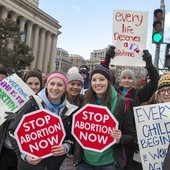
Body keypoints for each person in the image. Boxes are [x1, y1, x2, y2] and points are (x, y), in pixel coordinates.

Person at [73, 46, 135, 170]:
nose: (98, 83)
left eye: (102, 79)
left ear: (108, 82)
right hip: (85, 162)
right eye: (94, 80)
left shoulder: (121, 103)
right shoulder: (83, 100)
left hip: (109, 163)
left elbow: (131, 136)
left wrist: (120, 139)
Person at [7, 71, 78, 170]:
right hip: (29, 166)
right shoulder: (32, 104)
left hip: (53, 166)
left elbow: (72, 137)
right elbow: (12, 132)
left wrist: (67, 147)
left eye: (60, 85)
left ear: (65, 88)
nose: (55, 88)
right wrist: (24, 155)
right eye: (52, 83)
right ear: (46, 85)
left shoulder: (71, 110)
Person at [116, 50, 160, 170]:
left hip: (131, 138)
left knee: (126, 165)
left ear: (133, 81)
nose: (126, 80)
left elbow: (155, 81)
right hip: (114, 135)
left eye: (129, 78)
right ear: (120, 80)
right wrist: (109, 58)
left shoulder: (138, 95)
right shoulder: (114, 93)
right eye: (124, 77)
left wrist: (149, 64)